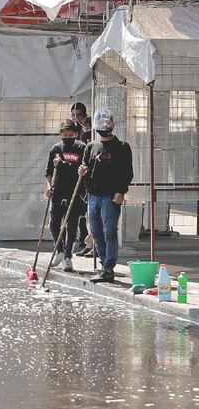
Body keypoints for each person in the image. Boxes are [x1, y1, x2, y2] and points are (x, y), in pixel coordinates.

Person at [78, 109, 134, 284]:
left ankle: (109, 268)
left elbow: (127, 172)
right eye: (101, 122)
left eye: (107, 122)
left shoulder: (122, 147)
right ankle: (104, 265)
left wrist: (121, 191)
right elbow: (85, 168)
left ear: (113, 124)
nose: (104, 125)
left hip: (111, 195)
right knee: (96, 232)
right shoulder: (91, 146)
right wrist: (82, 171)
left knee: (109, 232)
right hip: (93, 195)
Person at [45, 120, 87, 273]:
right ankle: (60, 250)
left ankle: (68, 256)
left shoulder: (82, 148)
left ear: (76, 134)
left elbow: (81, 168)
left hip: (75, 191)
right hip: (58, 190)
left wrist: (62, 164)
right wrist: (49, 186)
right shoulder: (55, 149)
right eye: (65, 135)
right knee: (53, 224)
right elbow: (49, 171)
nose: (68, 137)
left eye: (71, 135)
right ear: (60, 134)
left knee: (71, 225)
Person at [70, 102, 93, 256]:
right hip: (77, 173)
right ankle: (83, 241)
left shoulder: (90, 131)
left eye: (79, 114)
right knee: (80, 211)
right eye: (74, 115)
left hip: (88, 175)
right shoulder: (75, 130)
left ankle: (89, 243)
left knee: (88, 210)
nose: (76, 118)